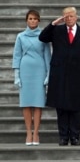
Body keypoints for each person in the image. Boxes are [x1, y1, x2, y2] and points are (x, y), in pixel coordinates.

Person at [39, 7, 80, 146]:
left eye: (71, 16)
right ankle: (63, 136)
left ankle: (75, 136)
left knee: (75, 106)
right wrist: (53, 23)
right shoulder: (56, 30)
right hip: (59, 73)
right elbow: (42, 37)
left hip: (77, 73)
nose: (69, 18)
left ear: (76, 17)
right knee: (61, 106)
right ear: (63, 17)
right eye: (66, 16)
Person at [12, 10, 51, 146]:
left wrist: (48, 74)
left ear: (39, 20)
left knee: (38, 103)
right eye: (30, 18)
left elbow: (47, 55)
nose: (33, 21)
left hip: (39, 71)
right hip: (25, 71)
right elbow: (17, 55)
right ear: (26, 20)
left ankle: (36, 132)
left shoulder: (44, 36)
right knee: (26, 103)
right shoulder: (20, 36)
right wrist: (17, 75)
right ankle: (28, 133)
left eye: (35, 19)